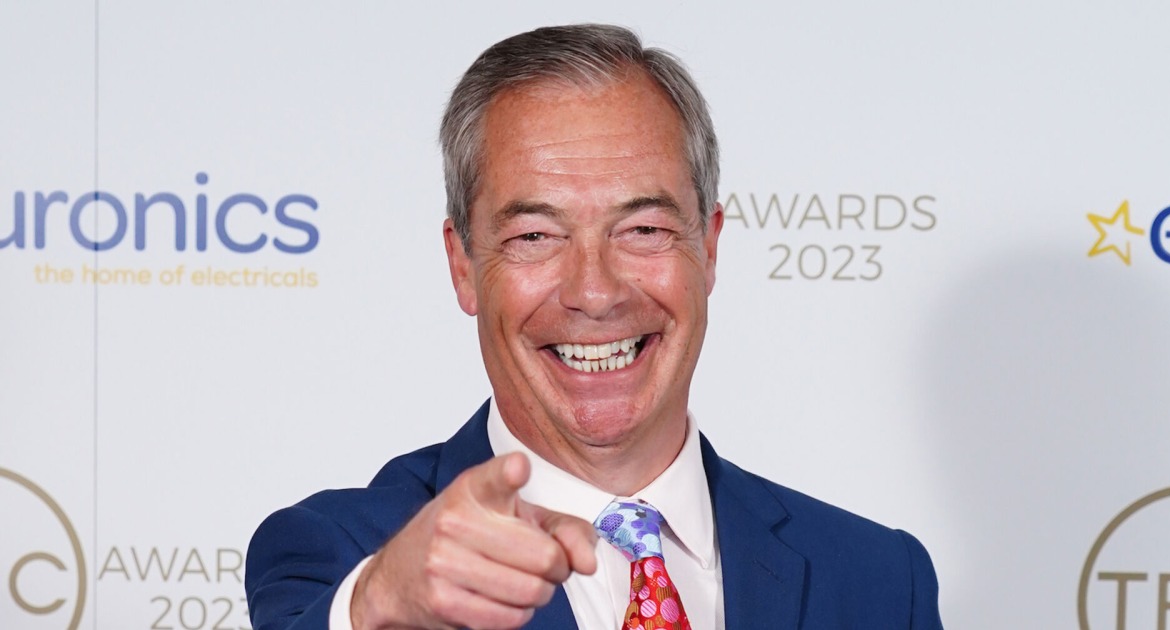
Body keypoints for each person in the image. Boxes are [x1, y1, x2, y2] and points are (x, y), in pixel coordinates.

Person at [246, 24, 943, 630]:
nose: (595, 292)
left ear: (709, 248)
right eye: (535, 236)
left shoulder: (880, 578)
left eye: (643, 229)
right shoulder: (345, 556)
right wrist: (379, 605)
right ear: (463, 266)